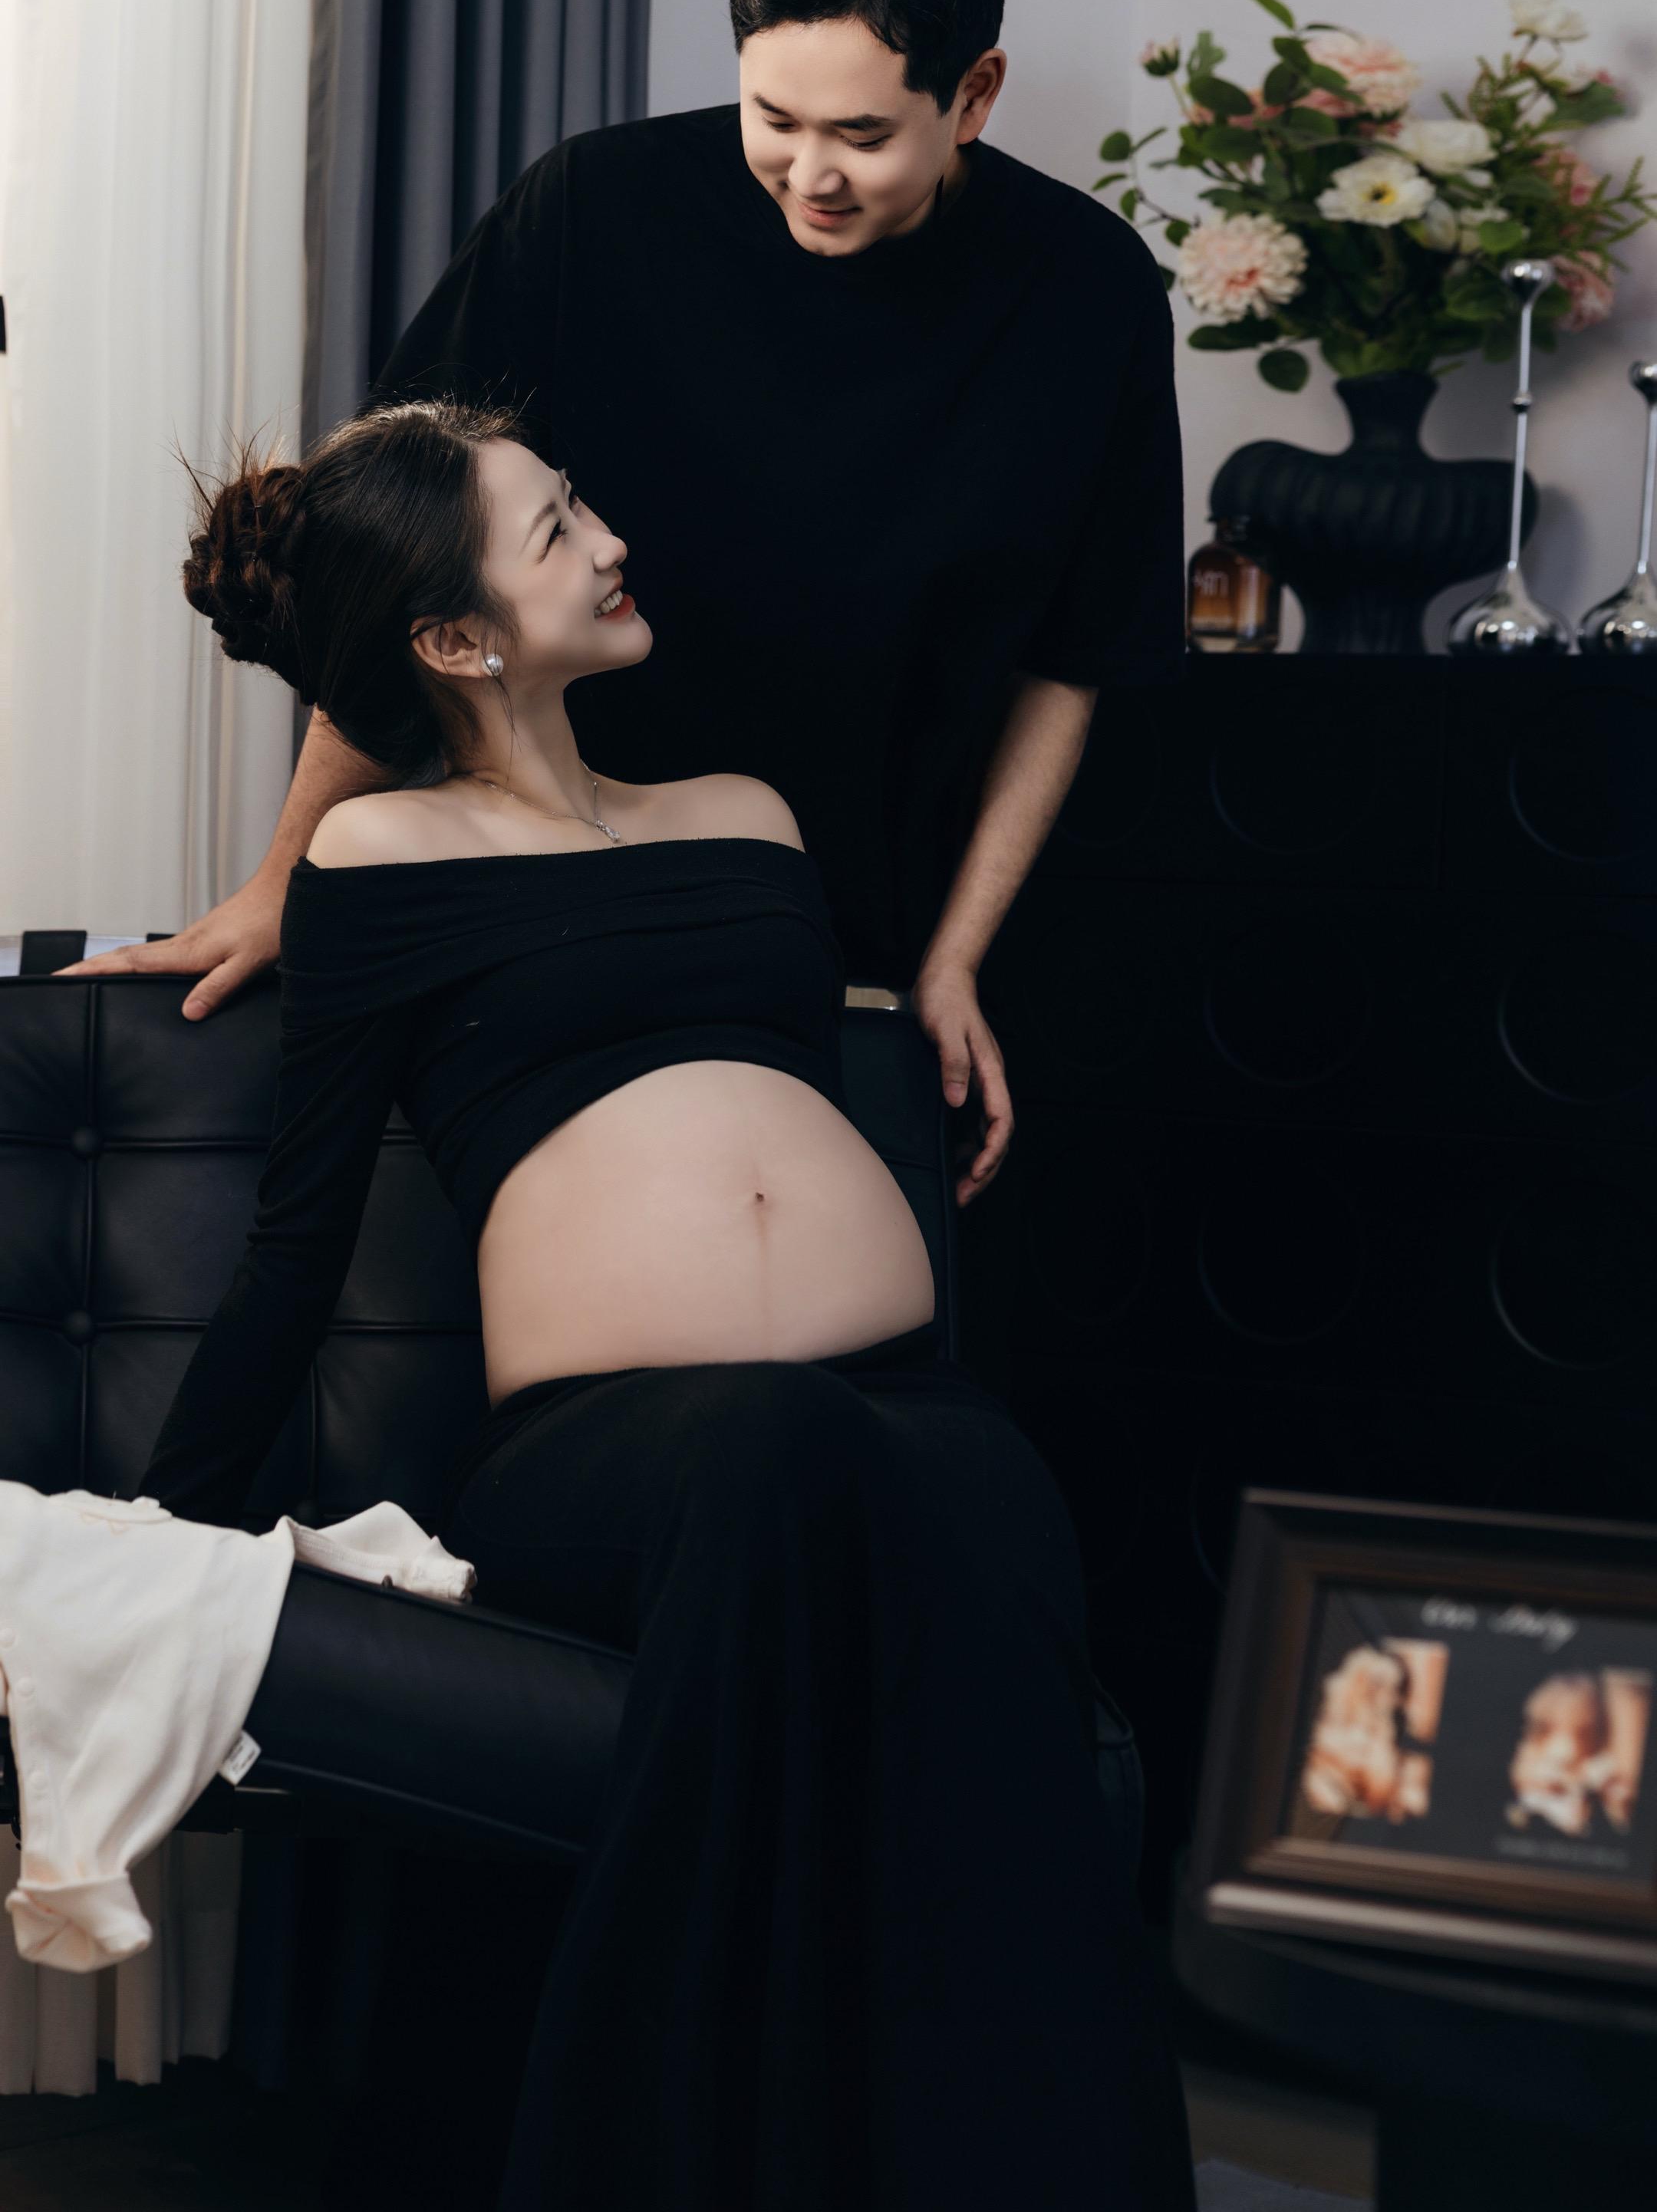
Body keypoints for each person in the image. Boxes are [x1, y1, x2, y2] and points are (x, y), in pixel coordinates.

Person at [129, 394, 1195, 2210]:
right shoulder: (381, 864)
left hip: (891, 1405)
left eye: (582, 502)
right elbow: (297, 1248)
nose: (611, 540)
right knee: (778, 1449)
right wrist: (161, 1533)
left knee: (982, 1487)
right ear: (457, 641)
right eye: (556, 530)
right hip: (610, 1453)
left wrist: (939, 991)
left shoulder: (746, 817)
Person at [52, 0, 1186, 1219]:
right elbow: (397, 566)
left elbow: (1073, 660)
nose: (810, 174)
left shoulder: (1089, 293)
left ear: (977, 94)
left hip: (888, 913)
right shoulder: (594, 209)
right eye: (774, 117)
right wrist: (284, 878)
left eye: (863, 136)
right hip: (556, 906)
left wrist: (955, 960)